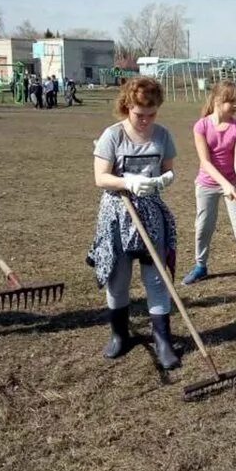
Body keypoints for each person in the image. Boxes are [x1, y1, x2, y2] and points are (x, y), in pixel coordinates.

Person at [88, 76, 179, 366]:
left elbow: (169, 170)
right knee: (119, 277)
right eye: (140, 114)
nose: (146, 120)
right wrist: (127, 182)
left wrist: (162, 181)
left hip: (151, 214)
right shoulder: (112, 135)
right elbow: (100, 177)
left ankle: (163, 341)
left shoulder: (162, 135)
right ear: (127, 106)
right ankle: (119, 336)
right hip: (117, 214)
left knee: (156, 278)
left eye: (152, 114)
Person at [181, 81, 236, 293]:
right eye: (231, 101)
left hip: (232, 185)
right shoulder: (201, 126)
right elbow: (205, 163)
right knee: (203, 227)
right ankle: (201, 266)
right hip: (207, 184)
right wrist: (225, 184)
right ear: (218, 100)